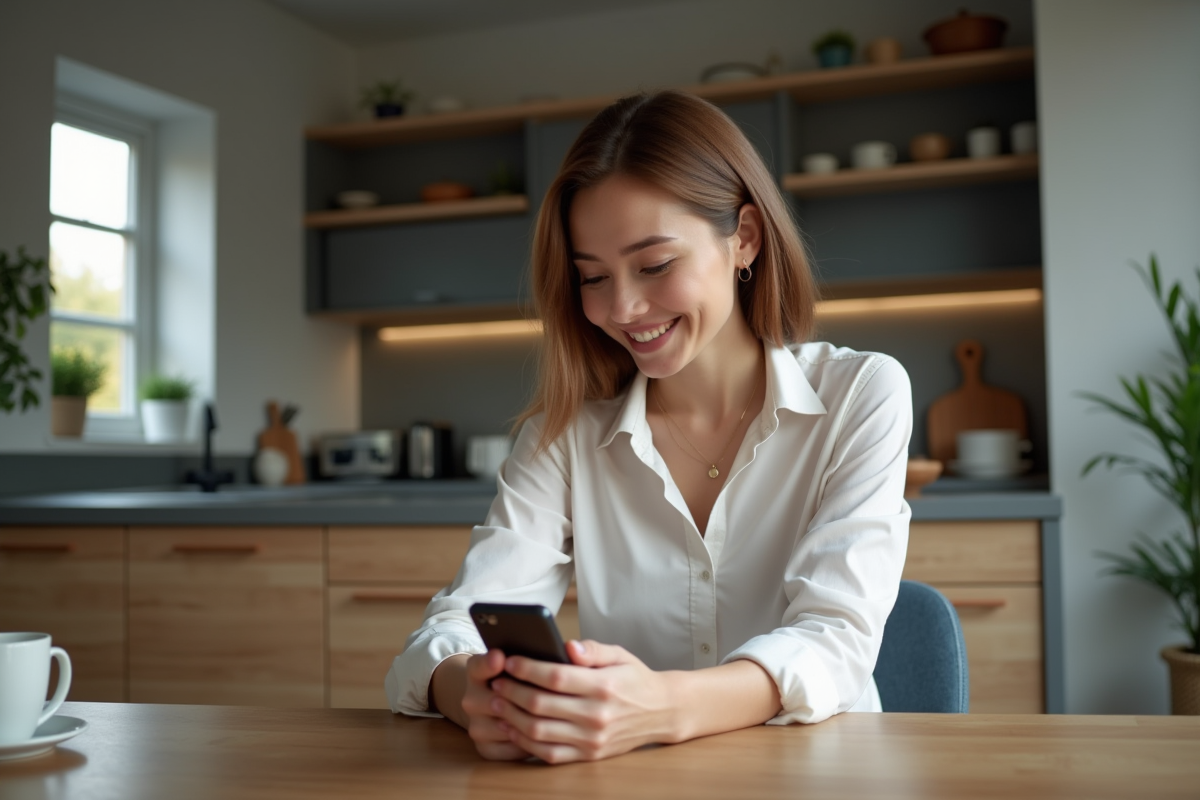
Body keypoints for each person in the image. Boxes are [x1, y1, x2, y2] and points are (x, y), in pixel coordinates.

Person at [385, 90, 912, 764]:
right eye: (592, 277)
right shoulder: (565, 433)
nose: (623, 307)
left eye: (655, 265)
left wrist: (659, 708)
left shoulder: (862, 393)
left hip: (820, 773)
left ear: (743, 237)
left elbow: (835, 641)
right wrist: (471, 694)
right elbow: (450, 631)